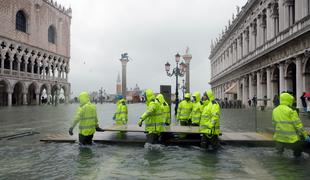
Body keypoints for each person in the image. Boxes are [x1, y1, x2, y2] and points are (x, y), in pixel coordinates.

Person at [272, 92, 310, 157]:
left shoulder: (275, 110)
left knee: (279, 155)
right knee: (298, 154)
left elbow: (274, 123)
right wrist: (305, 135)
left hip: (279, 138)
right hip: (291, 139)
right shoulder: (291, 110)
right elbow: (298, 125)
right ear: (289, 100)